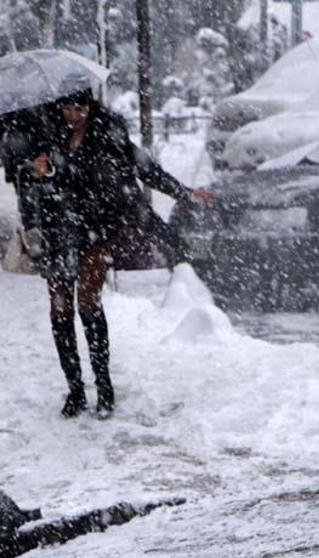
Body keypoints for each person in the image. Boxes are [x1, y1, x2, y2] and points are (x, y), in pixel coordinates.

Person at [29, 88, 200, 419]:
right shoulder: (49, 135)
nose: (74, 115)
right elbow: (42, 185)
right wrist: (42, 173)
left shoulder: (109, 135)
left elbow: (147, 170)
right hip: (57, 232)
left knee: (89, 305)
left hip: (94, 231)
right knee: (60, 310)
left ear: (91, 107)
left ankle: (104, 387)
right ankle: (75, 389)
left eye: (80, 107)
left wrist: (185, 194)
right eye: (67, 107)